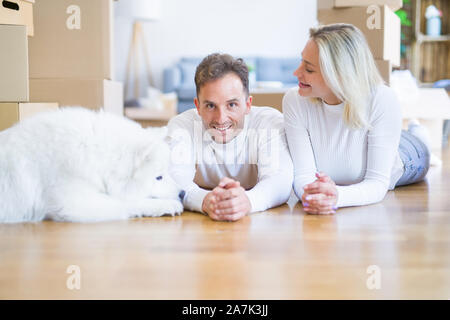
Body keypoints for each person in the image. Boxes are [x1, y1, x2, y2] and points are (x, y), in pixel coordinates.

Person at [283, 23, 431, 215]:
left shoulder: (382, 98)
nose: (296, 73)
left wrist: (337, 196)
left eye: (309, 69)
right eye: (301, 61)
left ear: (340, 75)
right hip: (370, 146)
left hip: (405, 157)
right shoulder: (294, 100)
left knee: (419, 145)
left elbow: (377, 184)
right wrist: (313, 195)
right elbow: (303, 174)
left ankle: (418, 131)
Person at [167, 53, 293, 221]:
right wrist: (205, 200)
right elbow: (173, 179)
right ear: (197, 106)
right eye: (210, 106)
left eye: (232, 105)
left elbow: (280, 180)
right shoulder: (182, 126)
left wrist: (248, 201)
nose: (221, 118)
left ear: (248, 104)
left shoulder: (268, 122)